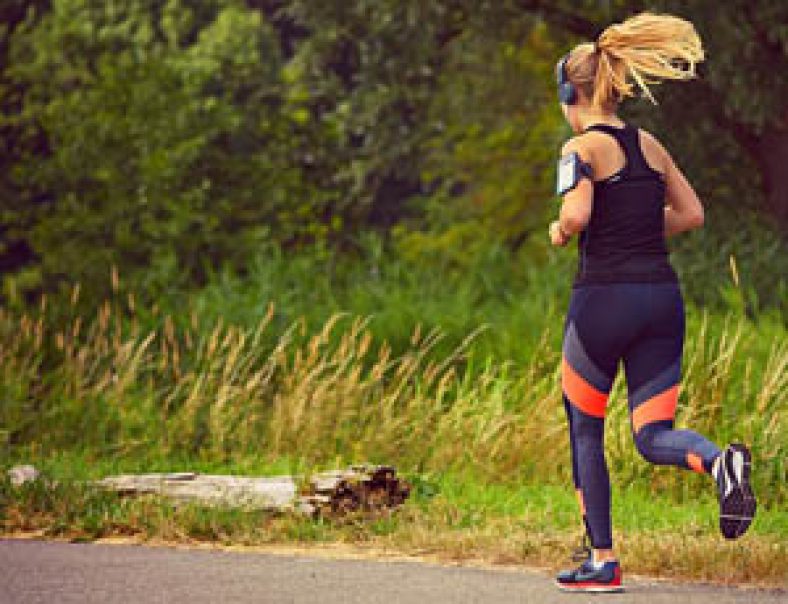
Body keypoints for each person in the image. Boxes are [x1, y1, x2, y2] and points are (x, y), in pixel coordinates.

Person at [548, 12, 757, 593]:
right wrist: (637, 228)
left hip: (603, 304)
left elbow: (579, 213)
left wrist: (563, 230)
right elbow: (692, 215)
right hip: (661, 302)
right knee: (651, 433)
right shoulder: (650, 145)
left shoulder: (580, 146)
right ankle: (719, 463)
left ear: (571, 91)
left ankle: (604, 560)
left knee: (585, 429)